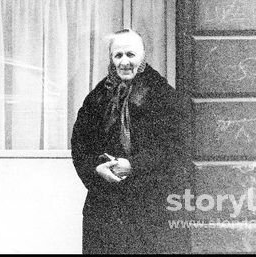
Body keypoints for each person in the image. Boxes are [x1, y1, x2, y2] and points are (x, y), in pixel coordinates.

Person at [71, 29, 191, 254]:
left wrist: (133, 165)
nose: (124, 62)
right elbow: (80, 143)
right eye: (118, 56)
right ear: (111, 59)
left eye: (130, 55)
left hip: (151, 206)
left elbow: (174, 148)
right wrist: (96, 169)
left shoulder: (163, 96)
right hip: (106, 204)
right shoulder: (98, 97)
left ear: (142, 57)